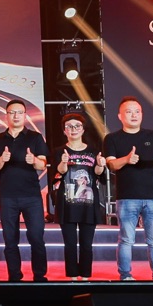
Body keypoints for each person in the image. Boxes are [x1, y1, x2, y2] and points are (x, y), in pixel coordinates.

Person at [104, 97, 153, 281]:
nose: (134, 115)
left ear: (142, 114)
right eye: (129, 112)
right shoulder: (112, 138)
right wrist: (126, 159)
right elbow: (111, 165)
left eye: (137, 111)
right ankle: (125, 275)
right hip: (127, 198)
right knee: (126, 239)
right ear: (120, 116)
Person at [0, 99, 50, 282]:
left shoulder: (35, 137)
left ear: (25, 115)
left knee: (36, 237)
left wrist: (34, 161)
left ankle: (39, 276)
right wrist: (2, 160)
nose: (16, 116)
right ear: (6, 116)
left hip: (31, 196)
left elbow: (43, 164)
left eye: (19, 112)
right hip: (7, 196)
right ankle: (14, 276)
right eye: (12, 112)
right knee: (10, 239)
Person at [51, 112, 105, 280]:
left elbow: (98, 175)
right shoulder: (58, 151)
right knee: (70, 244)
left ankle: (86, 275)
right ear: (64, 131)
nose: (73, 129)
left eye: (77, 126)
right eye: (69, 126)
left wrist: (101, 165)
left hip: (88, 203)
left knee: (87, 244)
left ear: (83, 129)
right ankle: (73, 276)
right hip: (67, 203)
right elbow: (57, 174)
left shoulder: (94, 151)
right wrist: (63, 162)